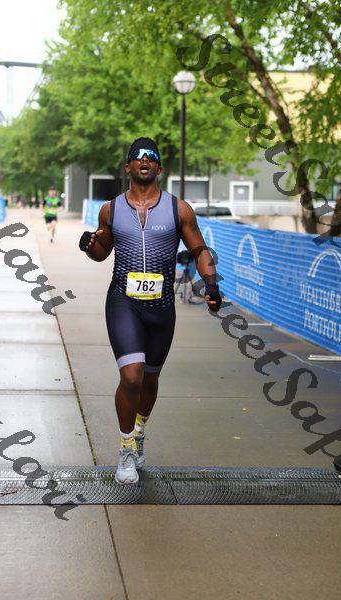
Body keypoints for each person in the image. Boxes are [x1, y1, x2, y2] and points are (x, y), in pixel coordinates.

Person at [79, 137, 222, 485]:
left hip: (161, 307)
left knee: (150, 379)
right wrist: (89, 246)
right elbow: (102, 253)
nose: (145, 160)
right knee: (132, 376)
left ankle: (139, 432)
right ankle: (126, 449)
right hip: (123, 302)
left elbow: (199, 249)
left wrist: (211, 283)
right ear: (128, 165)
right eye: (138, 156)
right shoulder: (110, 210)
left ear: (159, 166)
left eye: (151, 156)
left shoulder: (179, 209)